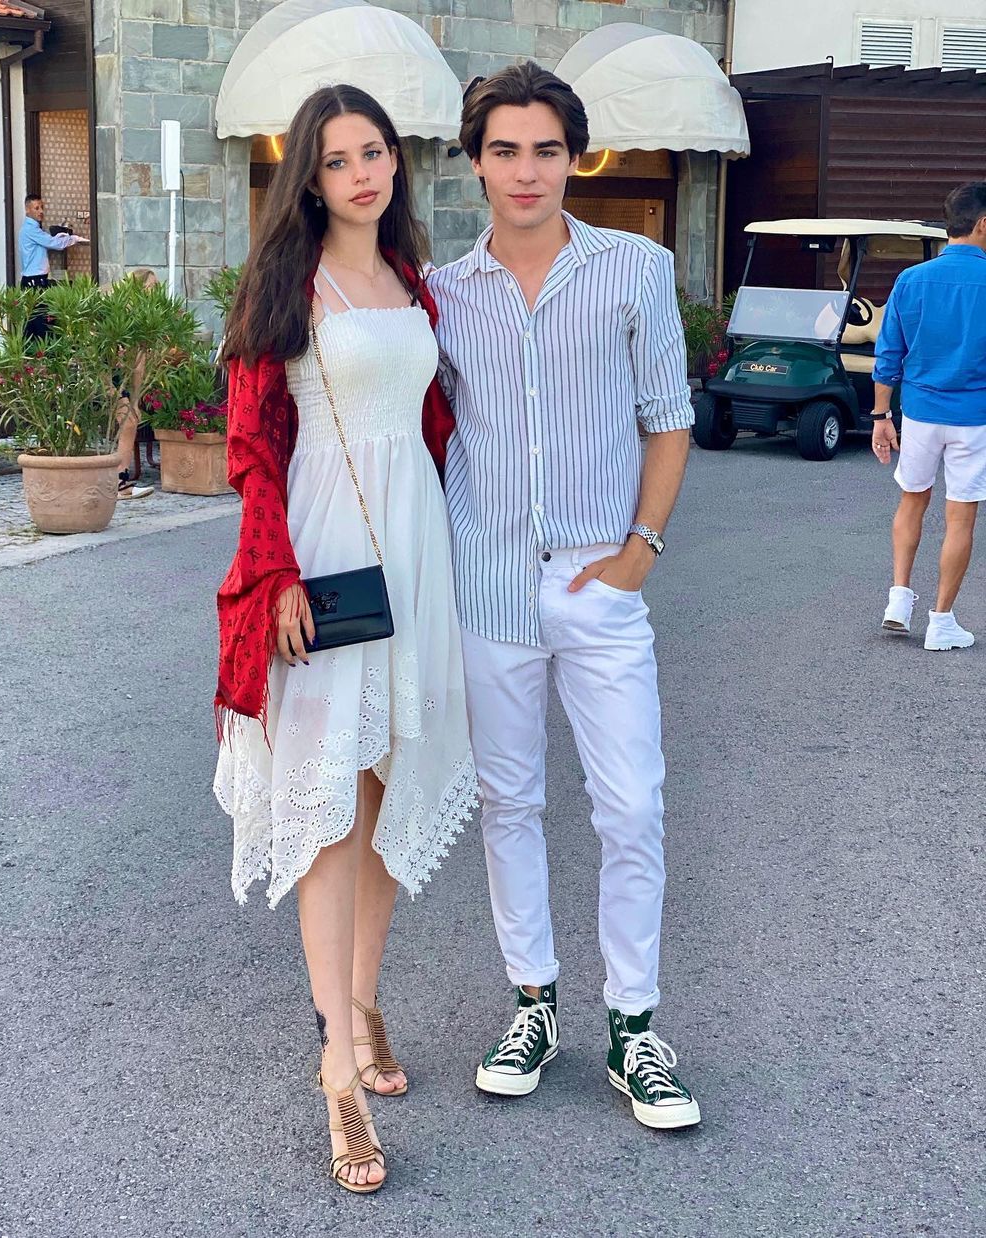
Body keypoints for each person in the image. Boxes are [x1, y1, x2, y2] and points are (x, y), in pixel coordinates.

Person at [212, 85, 478, 1193]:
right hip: (324, 552)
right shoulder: (288, 283)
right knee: (326, 804)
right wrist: (273, 571)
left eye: (374, 152)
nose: (363, 173)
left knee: (384, 781)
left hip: (414, 549)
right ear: (309, 181)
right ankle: (336, 1062)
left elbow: (435, 425)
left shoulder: (413, 278)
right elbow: (250, 444)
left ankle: (365, 997)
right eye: (338, 160)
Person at [428, 62, 700, 1130]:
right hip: (488, 582)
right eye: (505, 150)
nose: (526, 170)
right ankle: (533, 1003)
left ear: (575, 157)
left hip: (600, 580)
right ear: (476, 161)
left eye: (546, 149)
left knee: (632, 802)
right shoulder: (442, 293)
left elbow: (668, 417)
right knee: (510, 802)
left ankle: (635, 1024)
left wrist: (640, 551)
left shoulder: (635, 269)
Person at [874, 182, 986, 651]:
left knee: (912, 500)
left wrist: (881, 414)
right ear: (983, 224)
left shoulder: (911, 279)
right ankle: (941, 622)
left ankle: (899, 599)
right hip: (974, 416)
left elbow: (889, 353)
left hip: (919, 411)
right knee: (960, 517)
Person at [18, 195, 86, 338]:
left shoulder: (33, 229)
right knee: (42, 324)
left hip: (34, 280)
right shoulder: (31, 230)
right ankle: (42, 350)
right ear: (27, 209)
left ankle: (28, 351)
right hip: (34, 282)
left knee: (33, 324)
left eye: (42, 207)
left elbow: (49, 241)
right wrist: (73, 239)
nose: (41, 211)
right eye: (36, 208)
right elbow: (53, 244)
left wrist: (60, 238)